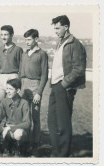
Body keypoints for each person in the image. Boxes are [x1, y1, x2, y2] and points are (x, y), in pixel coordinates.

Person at [48, 15, 87, 157]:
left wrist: (64, 84)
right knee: (51, 121)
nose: (55, 31)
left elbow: (79, 69)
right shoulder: (60, 43)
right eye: (54, 28)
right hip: (55, 86)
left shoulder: (75, 44)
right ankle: (55, 150)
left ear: (66, 27)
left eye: (58, 28)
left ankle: (63, 154)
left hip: (64, 87)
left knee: (63, 122)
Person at [19, 29, 48, 154]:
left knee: (35, 117)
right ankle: (23, 143)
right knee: (24, 117)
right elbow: (20, 73)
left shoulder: (42, 54)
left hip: (35, 86)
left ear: (36, 39)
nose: (27, 42)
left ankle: (35, 144)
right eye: (25, 40)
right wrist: (19, 88)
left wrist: (39, 92)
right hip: (24, 88)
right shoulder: (24, 54)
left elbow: (44, 75)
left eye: (29, 39)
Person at [0, 78, 31, 155]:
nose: (7, 91)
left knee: (18, 134)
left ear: (18, 91)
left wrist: (10, 128)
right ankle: (4, 146)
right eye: (7, 88)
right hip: (7, 129)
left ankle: (18, 148)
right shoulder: (5, 101)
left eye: (10, 89)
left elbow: (27, 124)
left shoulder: (24, 103)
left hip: (19, 129)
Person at [0, 25, 23, 110]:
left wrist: (19, 82)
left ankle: (9, 123)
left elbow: (21, 67)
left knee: (11, 106)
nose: (3, 37)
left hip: (13, 77)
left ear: (12, 35)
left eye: (6, 35)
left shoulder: (18, 49)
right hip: (1, 78)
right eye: (2, 35)